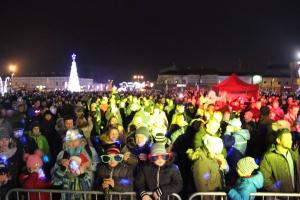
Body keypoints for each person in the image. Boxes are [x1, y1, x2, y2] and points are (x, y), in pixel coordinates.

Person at [51, 129, 93, 200]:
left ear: (79, 141)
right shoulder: (62, 155)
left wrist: (82, 175)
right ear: (66, 142)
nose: (73, 143)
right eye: (70, 141)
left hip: (80, 196)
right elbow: (55, 182)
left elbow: (88, 185)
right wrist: (62, 169)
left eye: (75, 140)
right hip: (66, 196)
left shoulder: (84, 155)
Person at [260, 128, 300, 192]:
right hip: (280, 196)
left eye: (291, 139)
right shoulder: (269, 157)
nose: (290, 141)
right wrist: (277, 191)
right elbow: (265, 179)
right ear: (278, 140)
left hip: (296, 195)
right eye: (287, 139)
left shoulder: (294, 154)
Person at [0, 127, 21, 200]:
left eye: (6, 139)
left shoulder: (15, 153)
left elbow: (20, 170)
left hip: (13, 190)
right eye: (1, 140)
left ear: (9, 140)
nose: (4, 142)